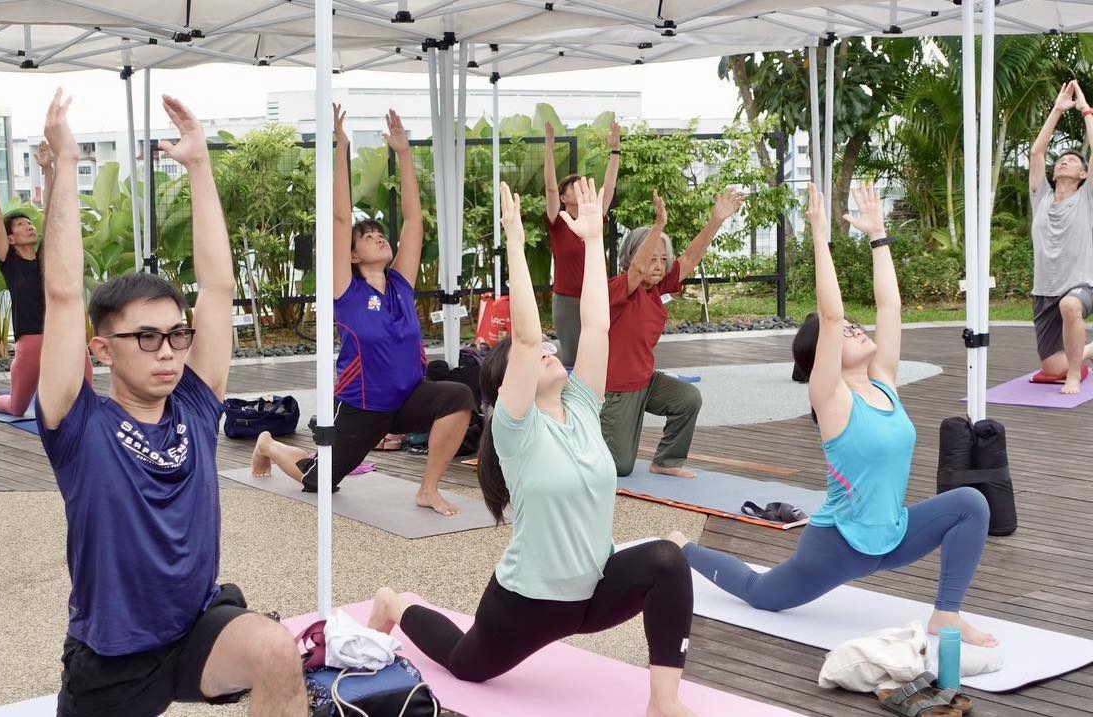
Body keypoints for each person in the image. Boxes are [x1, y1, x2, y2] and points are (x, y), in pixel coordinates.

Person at [367, 179, 698, 717]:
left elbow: (595, 323)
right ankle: (395, 604)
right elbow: (522, 338)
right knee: (463, 662)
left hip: (594, 592)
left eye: (551, 348)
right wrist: (517, 247)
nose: (548, 350)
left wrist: (593, 242)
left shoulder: (586, 405)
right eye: (538, 352)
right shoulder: (514, 430)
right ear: (505, 388)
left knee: (667, 561)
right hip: (528, 604)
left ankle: (663, 703)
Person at [34, 90, 305, 717]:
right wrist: (68, 164)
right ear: (101, 350)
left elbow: (217, 286)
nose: (167, 352)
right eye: (146, 337)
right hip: (113, 659)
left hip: (196, 630)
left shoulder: (195, 405)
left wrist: (200, 166)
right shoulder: (79, 425)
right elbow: (64, 298)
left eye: (176, 335)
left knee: (276, 651)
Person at [672, 183, 998, 648]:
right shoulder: (832, 398)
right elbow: (830, 315)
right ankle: (684, 548)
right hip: (837, 547)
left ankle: (946, 614)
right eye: (846, 333)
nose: (855, 328)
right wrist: (819, 236)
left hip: (897, 535)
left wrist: (879, 236)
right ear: (822, 356)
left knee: (971, 503)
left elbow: (890, 306)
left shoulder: (884, 379)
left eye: (854, 328)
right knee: (759, 593)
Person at [250, 105, 474, 517]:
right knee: (321, 482)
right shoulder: (345, 290)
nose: (377, 238)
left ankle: (427, 488)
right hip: (362, 407)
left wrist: (404, 154)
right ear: (352, 255)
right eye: (367, 237)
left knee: (460, 396)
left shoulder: (401, 285)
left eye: (379, 234)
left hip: (408, 399)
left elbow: (413, 221)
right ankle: (269, 444)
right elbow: (339, 218)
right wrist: (342, 147)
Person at [600, 187, 745, 479]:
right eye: (651, 259)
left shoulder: (657, 289)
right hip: (618, 390)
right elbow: (638, 271)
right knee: (619, 467)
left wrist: (716, 221)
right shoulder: (618, 289)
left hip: (646, 382)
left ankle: (665, 461)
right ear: (631, 258)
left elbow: (690, 258)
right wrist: (658, 226)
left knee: (687, 398)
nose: (657, 265)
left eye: (662, 259)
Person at [0, 143, 93, 416]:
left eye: (29, 223)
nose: (29, 226)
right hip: (30, 340)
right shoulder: (9, 261)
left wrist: (47, 169)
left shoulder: (47, 255)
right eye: (21, 225)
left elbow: (51, 213)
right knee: (17, 408)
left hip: (63, 334)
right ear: (10, 238)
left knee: (87, 398)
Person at [1028, 80, 1093, 394]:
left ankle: (1074, 376)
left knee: (1070, 307)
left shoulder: (1086, 199)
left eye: (1073, 161)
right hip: (1043, 290)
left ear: (1083, 175)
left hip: (1081, 285)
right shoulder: (1041, 197)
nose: (1064, 160)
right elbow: (1037, 152)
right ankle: (1086, 351)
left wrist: (1085, 111)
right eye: (1061, 160)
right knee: (1050, 367)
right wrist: (1057, 109)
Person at [545, 118, 620, 368]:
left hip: (596, 297)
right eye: (572, 186)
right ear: (565, 196)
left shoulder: (594, 216)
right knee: (572, 359)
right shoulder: (559, 220)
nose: (578, 187)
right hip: (567, 301)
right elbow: (550, 189)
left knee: (598, 358)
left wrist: (615, 150)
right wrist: (548, 147)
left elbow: (608, 188)